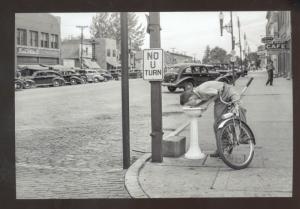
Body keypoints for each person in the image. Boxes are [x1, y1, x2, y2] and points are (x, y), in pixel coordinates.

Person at [180, 81, 247, 157]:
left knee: (239, 108)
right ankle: (222, 147)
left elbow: (217, 93)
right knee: (217, 124)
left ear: (191, 98)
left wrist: (206, 104)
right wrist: (198, 109)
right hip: (220, 98)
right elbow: (206, 99)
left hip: (227, 91)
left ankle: (244, 135)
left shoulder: (202, 90)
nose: (191, 105)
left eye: (189, 104)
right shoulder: (197, 93)